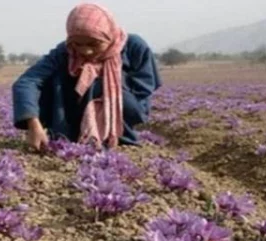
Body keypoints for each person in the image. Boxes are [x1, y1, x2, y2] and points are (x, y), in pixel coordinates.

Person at [12, 3, 162, 151]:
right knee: (55, 77)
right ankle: (67, 132)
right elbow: (27, 81)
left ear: (109, 35)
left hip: (124, 107)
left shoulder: (133, 46)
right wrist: (33, 123)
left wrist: (103, 90)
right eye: (77, 44)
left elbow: (144, 87)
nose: (86, 51)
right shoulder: (65, 51)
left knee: (95, 80)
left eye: (94, 43)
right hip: (74, 110)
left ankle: (116, 135)